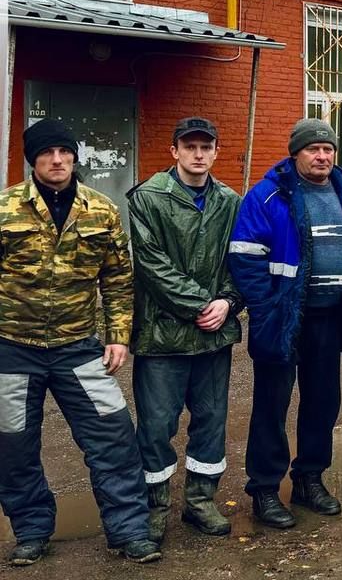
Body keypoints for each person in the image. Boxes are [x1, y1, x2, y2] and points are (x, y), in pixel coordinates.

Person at [0, 119, 161, 565]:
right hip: (12, 347)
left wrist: (118, 337)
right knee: (13, 445)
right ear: (33, 159)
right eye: (47, 153)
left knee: (113, 437)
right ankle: (31, 531)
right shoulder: (5, 208)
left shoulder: (101, 210)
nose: (57, 160)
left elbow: (118, 279)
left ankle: (129, 531)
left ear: (75, 157)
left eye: (64, 152)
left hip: (78, 347)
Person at [228, 118, 342, 529]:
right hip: (283, 319)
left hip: (328, 318)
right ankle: (263, 488)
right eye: (313, 149)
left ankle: (309, 480)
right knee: (271, 406)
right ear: (296, 153)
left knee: (323, 401)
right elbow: (244, 255)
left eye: (328, 149)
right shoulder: (267, 195)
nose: (322, 156)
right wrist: (266, 307)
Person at [129, 117, 244, 544]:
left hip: (214, 334)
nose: (198, 154)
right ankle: (154, 506)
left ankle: (200, 501)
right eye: (190, 146)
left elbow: (242, 260)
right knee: (157, 425)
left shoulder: (230, 201)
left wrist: (229, 302)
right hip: (163, 336)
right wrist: (201, 304)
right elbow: (151, 263)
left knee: (211, 420)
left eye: (206, 147)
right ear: (174, 150)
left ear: (215, 151)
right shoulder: (149, 197)